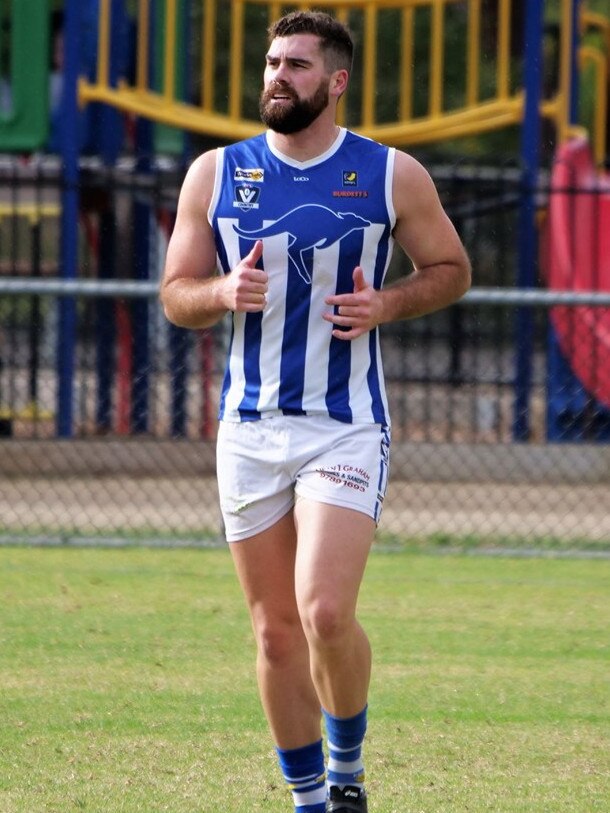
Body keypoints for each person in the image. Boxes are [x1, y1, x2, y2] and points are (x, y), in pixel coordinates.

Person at [161, 11, 471, 813]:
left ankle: (347, 773)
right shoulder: (215, 173)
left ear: (335, 82)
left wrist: (387, 304)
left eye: (297, 65)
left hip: (345, 423)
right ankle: (310, 801)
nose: (277, 76)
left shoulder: (389, 173)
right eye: (271, 62)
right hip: (249, 427)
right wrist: (223, 292)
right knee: (273, 633)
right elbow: (176, 295)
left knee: (326, 611)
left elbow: (450, 268)